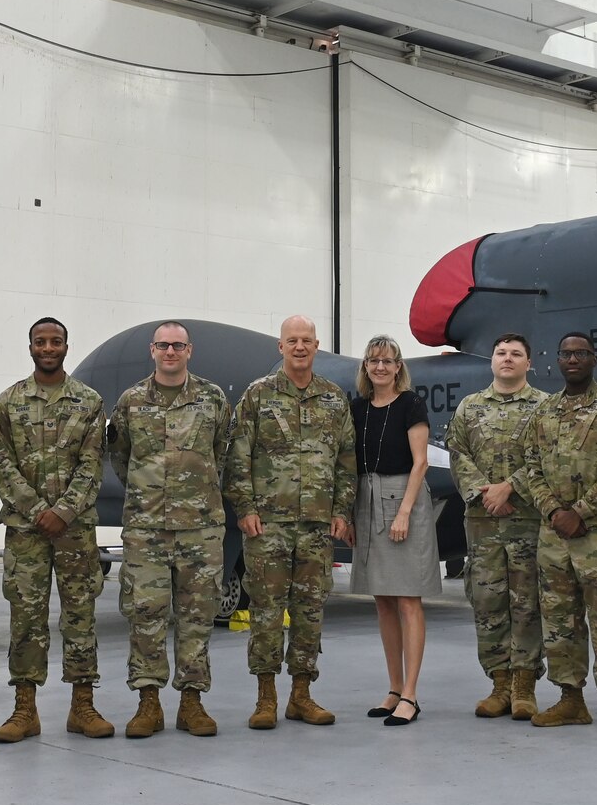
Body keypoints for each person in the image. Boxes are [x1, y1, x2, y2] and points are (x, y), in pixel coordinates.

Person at [226, 315, 358, 729]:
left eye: (306, 340)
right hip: (269, 525)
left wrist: (341, 510)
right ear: (280, 347)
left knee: (310, 610)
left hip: (318, 526)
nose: (299, 347)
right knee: (266, 611)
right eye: (291, 341)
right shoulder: (258, 395)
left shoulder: (335, 399)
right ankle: (266, 697)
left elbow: (347, 461)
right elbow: (238, 456)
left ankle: (301, 695)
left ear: (317, 346)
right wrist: (245, 508)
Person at [0, 316, 111, 743]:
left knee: (80, 616)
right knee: (26, 619)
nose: (47, 347)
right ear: (30, 347)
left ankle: (83, 706)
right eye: (40, 341)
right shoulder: (9, 402)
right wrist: (39, 509)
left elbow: (93, 464)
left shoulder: (90, 402)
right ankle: (25, 709)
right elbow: (2, 465)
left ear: (65, 346)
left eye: (54, 341)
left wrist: (64, 511)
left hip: (75, 531)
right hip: (26, 531)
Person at [108, 321, 231, 738]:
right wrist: (150, 496)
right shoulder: (130, 402)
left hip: (201, 528)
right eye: (164, 345)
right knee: (145, 614)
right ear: (152, 350)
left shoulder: (213, 399)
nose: (171, 352)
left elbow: (222, 455)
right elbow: (122, 459)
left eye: (178, 345)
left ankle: (193, 702)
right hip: (146, 529)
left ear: (189, 351)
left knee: (197, 616)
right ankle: (148, 702)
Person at [513, 332, 597, 736]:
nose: (572, 359)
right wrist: (553, 510)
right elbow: (530, 466)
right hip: (554, 538)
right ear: (557, 360)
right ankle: (571, 699)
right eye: (566, 353)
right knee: (559, 621)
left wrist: (581, 511)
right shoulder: (544, 411)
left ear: (594, 359)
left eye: (580, 353)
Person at [445, 333, 547, 720]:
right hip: (483, 523)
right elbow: (457, 454)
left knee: (527, 605)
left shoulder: (544, 407)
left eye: (516, 354)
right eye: (501, 353)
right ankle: (499, 684)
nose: (507, 359)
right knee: (487, 603)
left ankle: (524, 687)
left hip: (526, 521)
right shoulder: (470, 408)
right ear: (491, 361)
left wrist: (510, 489)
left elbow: (545, 457)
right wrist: (484, 493)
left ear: (528, 363)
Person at [350, 335, 436, 728]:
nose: (380, 367)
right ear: (366, 367)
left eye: (387, 361)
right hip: (367, 500)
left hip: (403, 498)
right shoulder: (358, 408)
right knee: (382, 599)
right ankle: (394, 687)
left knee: (407, 599)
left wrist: (403, 512)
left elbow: (421, 463)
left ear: (399, 366)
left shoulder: (410, 404)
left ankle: (412, 695)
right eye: (373, 361)